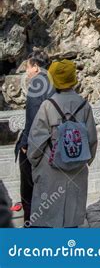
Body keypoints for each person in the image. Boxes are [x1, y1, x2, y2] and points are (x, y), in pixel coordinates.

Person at [27, 59, 97, 228]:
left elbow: (35, 142)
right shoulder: (84, 105)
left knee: (50, 218)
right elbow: (92, 139)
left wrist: (35, 163)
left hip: (50, 168)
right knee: (71, 218)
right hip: (76, 169)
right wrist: (85, 160)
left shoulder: (47, 105)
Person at [14, 50, 53, 226]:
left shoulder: (38, 84)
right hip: (51, 142)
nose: (27, 72)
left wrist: (24, 143)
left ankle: (31, 224)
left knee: (29, 189)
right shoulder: (52, 80)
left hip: (36, 144)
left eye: (28, 67)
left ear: (36, 67)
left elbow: (33, 117)